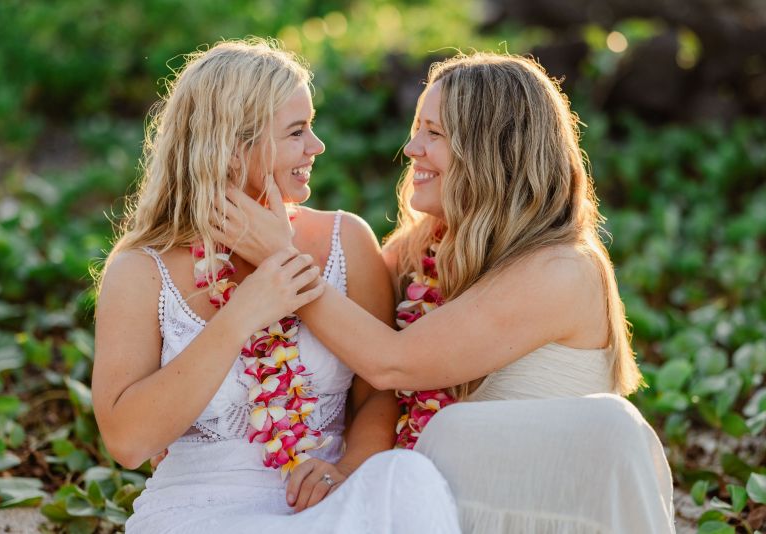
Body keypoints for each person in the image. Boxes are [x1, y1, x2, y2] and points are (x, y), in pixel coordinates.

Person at [217, 52, 676, 533]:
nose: (412, 147)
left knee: (601, 427)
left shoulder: (561, 269)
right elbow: (358, 355)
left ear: (493, 149)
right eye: (417, 128)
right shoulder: (416, 254)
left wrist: (281, 260)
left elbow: (392, 361)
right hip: (447, 499)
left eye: (433, 133)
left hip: (543, 506)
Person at [91, 39, 460, 533]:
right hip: (199, 514)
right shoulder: (141, 269)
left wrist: (346, 471)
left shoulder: (344, 239)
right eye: (296, 132)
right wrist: (244, 313)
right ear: (232, 145)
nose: (317, 146)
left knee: (408, 478)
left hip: (328, 504)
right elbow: (128, 441)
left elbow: (380, 393)